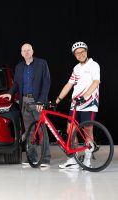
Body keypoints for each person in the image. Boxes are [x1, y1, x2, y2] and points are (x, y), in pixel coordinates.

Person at [0, 43, 51, 167]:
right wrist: (10, 94)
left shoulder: (42, 64)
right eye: (24, 50)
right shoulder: (19, 67)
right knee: (29, 131)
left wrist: (41, 101)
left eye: (28, 50)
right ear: (21, 53)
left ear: (32, 51)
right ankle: (32, 159)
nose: (26, 52)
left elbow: (46, 82)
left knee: (42, 131)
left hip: (37, 101)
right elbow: (16, 83)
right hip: (25, 102)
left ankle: (45, 159)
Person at [56, 41, 100, 169]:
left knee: (87, 130)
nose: (80, 55)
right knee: (71, 131)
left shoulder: (94, 65)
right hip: (75, 104)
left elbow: (96, 82)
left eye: (82, 52)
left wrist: (84, 97)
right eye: (77, 53)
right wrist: (57, 100)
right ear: (75, 55)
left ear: (86, 51)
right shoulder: (76, 68)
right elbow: (69, 85)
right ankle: (74, 160)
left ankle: (87, 160)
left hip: (89, 103)